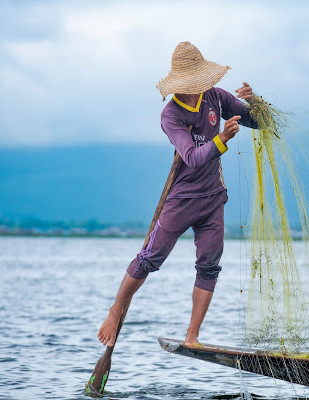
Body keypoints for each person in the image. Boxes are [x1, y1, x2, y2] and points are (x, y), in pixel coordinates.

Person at [97, 41, 258, 347]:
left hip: (213, 197)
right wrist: (222, 138)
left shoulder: (215, 97)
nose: (201, 88)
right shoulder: (170, 115)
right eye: (194, 83)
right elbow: (194, 157)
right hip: (183, 198)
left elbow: (259, 121)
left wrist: (256, 101)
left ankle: (192, 336)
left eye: (203, 82)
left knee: (209, 265)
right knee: (150, 258)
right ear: (179, 85)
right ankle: (116, 311)